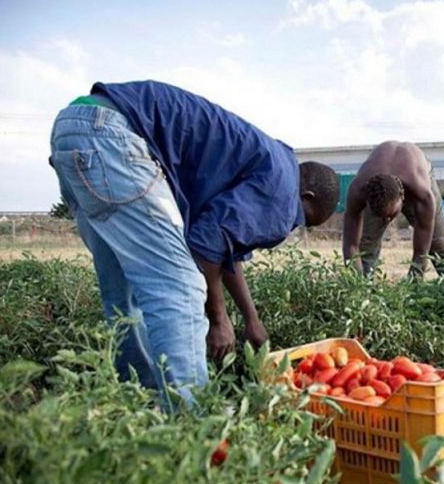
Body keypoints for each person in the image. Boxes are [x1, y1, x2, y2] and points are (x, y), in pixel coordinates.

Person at [49, 80, 339, 406]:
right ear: (306, 196)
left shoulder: (272, 165)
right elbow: (207, 246)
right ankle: (192, 426)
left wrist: (251, 319)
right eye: (301, 219)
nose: (290, 226)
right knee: (182, 288)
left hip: (76, 127)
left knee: (124, 294)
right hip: (114, 137)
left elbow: (225, 247)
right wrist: (219, 320)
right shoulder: (283, 195)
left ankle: (140, 406)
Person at [342, 141, 444, 277]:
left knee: (438, 245)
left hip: (417, 171)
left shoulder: (423, 194)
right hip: (378, 180)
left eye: (391, 215)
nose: (387, 220)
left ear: (403, 195)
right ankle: (365, 289)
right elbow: (351, 245)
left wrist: (414, 283)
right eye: (381, 216)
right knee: (365, 246)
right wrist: (355, 284)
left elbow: (421, 253)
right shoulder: (358, 190)